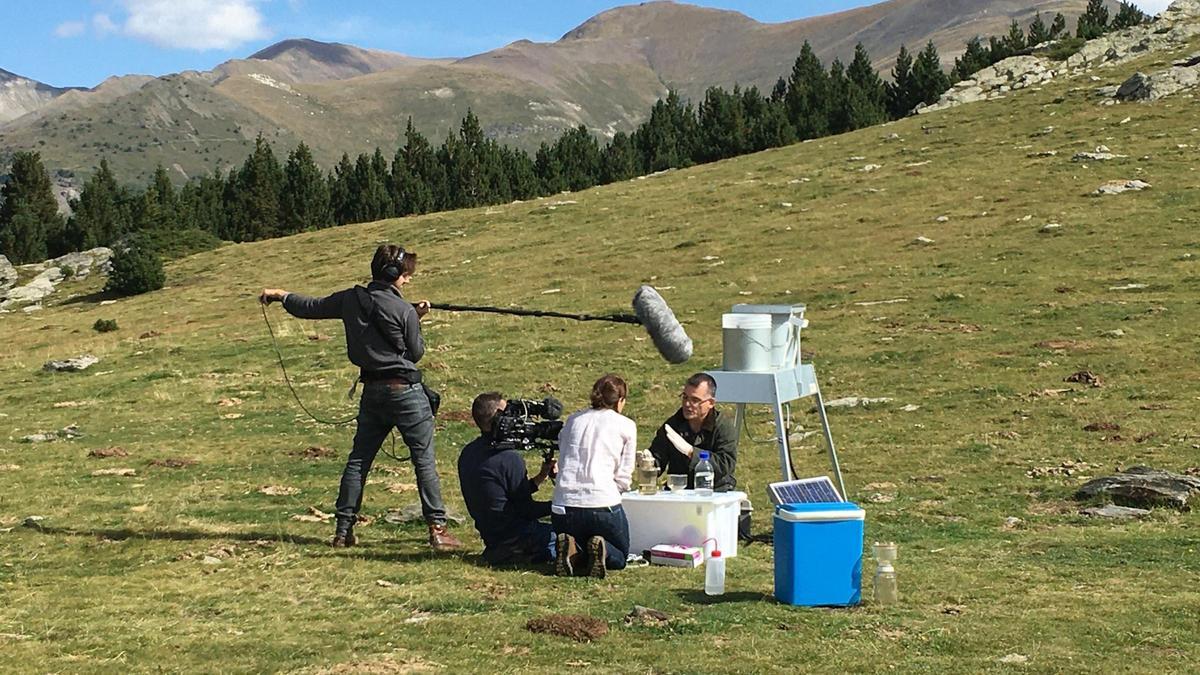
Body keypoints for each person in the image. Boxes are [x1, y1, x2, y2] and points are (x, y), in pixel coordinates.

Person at [259, 244, 462, 552]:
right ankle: (437, 529)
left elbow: (311, 306)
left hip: (372, 393)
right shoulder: (404, 310)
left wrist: (282, 295)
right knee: (424, 462)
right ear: (394, 274)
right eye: (406, 276)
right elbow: (416, 353)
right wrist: (416, 317)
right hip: (405, 392)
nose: (407, 280)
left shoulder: (350, 298)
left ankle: (343, 531)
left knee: (359, 461)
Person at [551, 374, 637, 578]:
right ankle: (604, 550)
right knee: (621, 555)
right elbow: (624, 476)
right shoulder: (626, 425)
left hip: (564, 505)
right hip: (602, 503)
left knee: (580, 536)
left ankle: (573, 547)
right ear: (620, 401)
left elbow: (563, 460)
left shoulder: (572, 420)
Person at [457, 392, 557, 566]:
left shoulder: (469, 453)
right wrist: (562, 506)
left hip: (492, 537)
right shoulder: (508, 458)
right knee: (571, 535)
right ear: (498, 418)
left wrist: (540, 478)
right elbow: (527, 510)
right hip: (519, 536)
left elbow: (501, 493)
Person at [649, 372, 739, 491]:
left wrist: (692, 452)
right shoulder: (673, 425)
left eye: (695, 400)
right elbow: (658, 457)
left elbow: (725, 465)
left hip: (716, 491)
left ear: (710, 403)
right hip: (680, 491)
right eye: (685, 397)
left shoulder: (723, 426)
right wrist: (648, 462)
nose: (687, 404)